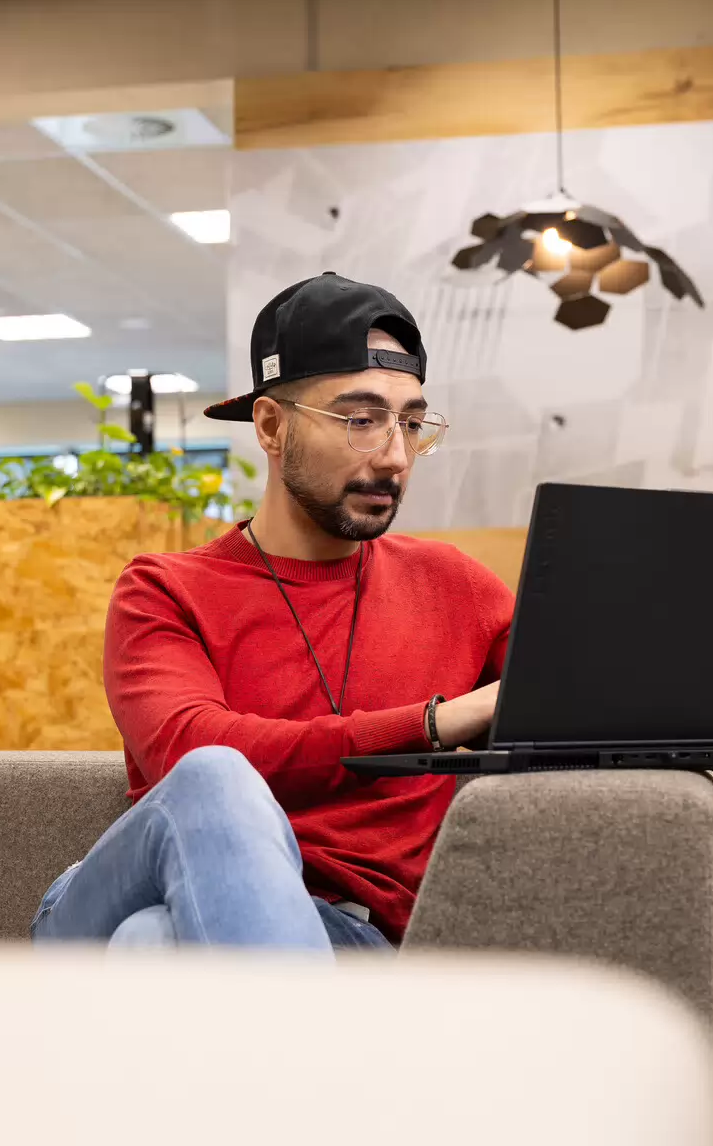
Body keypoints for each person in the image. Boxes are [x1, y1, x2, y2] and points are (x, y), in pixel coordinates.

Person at [31, 272, 512, 953]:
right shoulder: (164, 590)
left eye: (410, 423)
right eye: (361, 420)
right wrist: (432, 721)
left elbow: (583, 691)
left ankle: (276, 1048)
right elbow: (193, 753)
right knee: (214, 775)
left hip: (345, 938)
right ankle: (309, 1049)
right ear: (270, 425)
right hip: (103, 905)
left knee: (153, 943)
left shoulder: (454, 586)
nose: (397, 456)